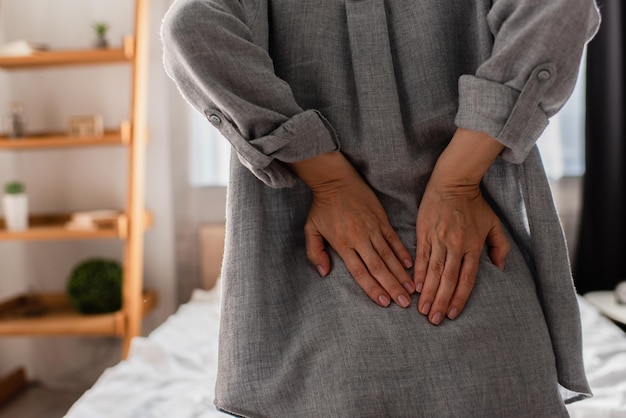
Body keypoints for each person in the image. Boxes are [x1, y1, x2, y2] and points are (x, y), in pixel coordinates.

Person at [161, 0, 600, 416]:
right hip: (479, 286)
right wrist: (457, 179)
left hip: (320, 315)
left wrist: (327, 177)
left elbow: (191, 27)